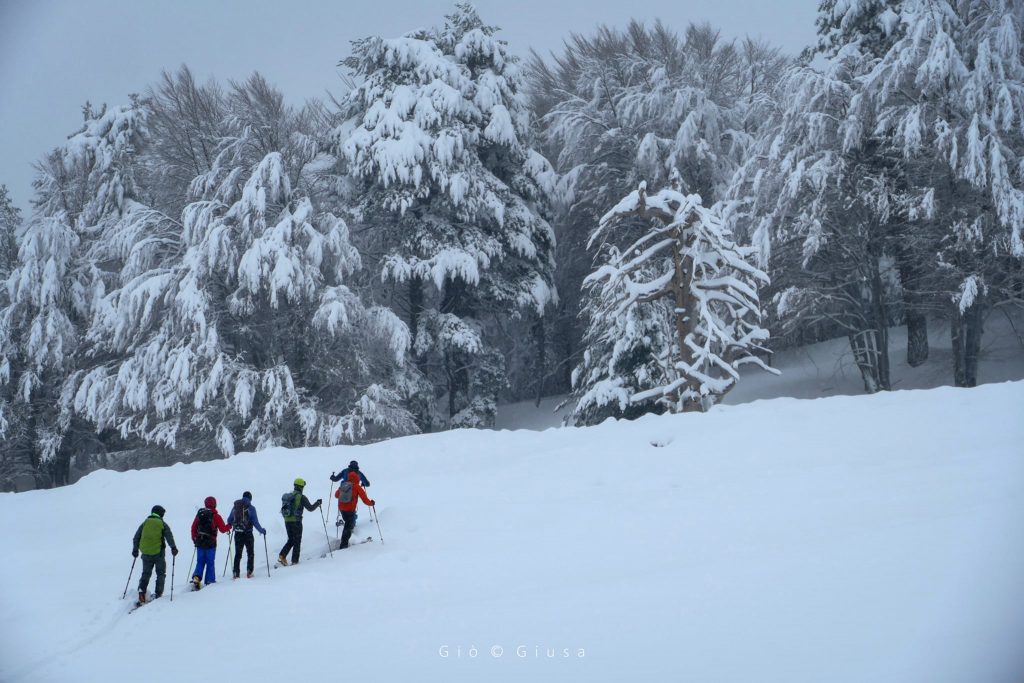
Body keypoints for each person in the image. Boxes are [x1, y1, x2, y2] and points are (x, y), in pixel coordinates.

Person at [132, 505, 179, 604]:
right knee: (161, 573)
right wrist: (173, 548)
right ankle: (158, 594)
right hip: (158, 553)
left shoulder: (145, 523)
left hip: (145, 553)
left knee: (146, 573)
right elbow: (169, 536)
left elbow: (136, 537)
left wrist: (135, 549)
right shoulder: (162, 523)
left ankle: (142, 591)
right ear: (160, 513)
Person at [278, 478, 322, 566]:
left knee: (291, 540)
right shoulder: (301, 497)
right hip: (296, 522)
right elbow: (310, 508)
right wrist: (318, 503)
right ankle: (295, 561)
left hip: (287, 521)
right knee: (297, 541)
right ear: (301, 487)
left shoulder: (290, 496)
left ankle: (282, 556)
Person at [190, 496, 231, 589]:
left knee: (200, 561)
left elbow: (193, 527)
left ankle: (196, 577)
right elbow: (223, 529)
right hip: (211, 543)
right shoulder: (216, 516)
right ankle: (210, 581)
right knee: (210, 562)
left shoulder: (200, 515)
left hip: (200, 542)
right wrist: (229, 526)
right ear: (215, 504)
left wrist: (194, 539)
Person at [227, 491, 267, 579]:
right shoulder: (251, 508)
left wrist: (232, 525)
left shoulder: (235, 506)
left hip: (238, 533)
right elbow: (255, 522)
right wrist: (262, 530)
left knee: (238, 554)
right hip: (248, 533)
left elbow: (229, 519)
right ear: (250, 498)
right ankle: (249, 571)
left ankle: (236, 573)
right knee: (250, 553)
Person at [335, 470, 375, 549]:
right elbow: (365, 500)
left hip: (342, 509)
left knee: (349, 524)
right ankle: (343, 545)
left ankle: (345, 542)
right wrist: (371, 503)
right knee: (348, 526)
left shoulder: (343, 485)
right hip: (350, 510)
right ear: (357, 478)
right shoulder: (357, 486)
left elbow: (336, 495)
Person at [330, 460, 369, 526]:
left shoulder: (345, 471)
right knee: (351, 509)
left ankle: (346, 520)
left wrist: (332, 477)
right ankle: (352, 523)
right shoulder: (359, 473)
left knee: (343, 507)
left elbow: (336, 479)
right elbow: (367, 484)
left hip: (342, 491)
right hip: (354, 492)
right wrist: (363, 483)